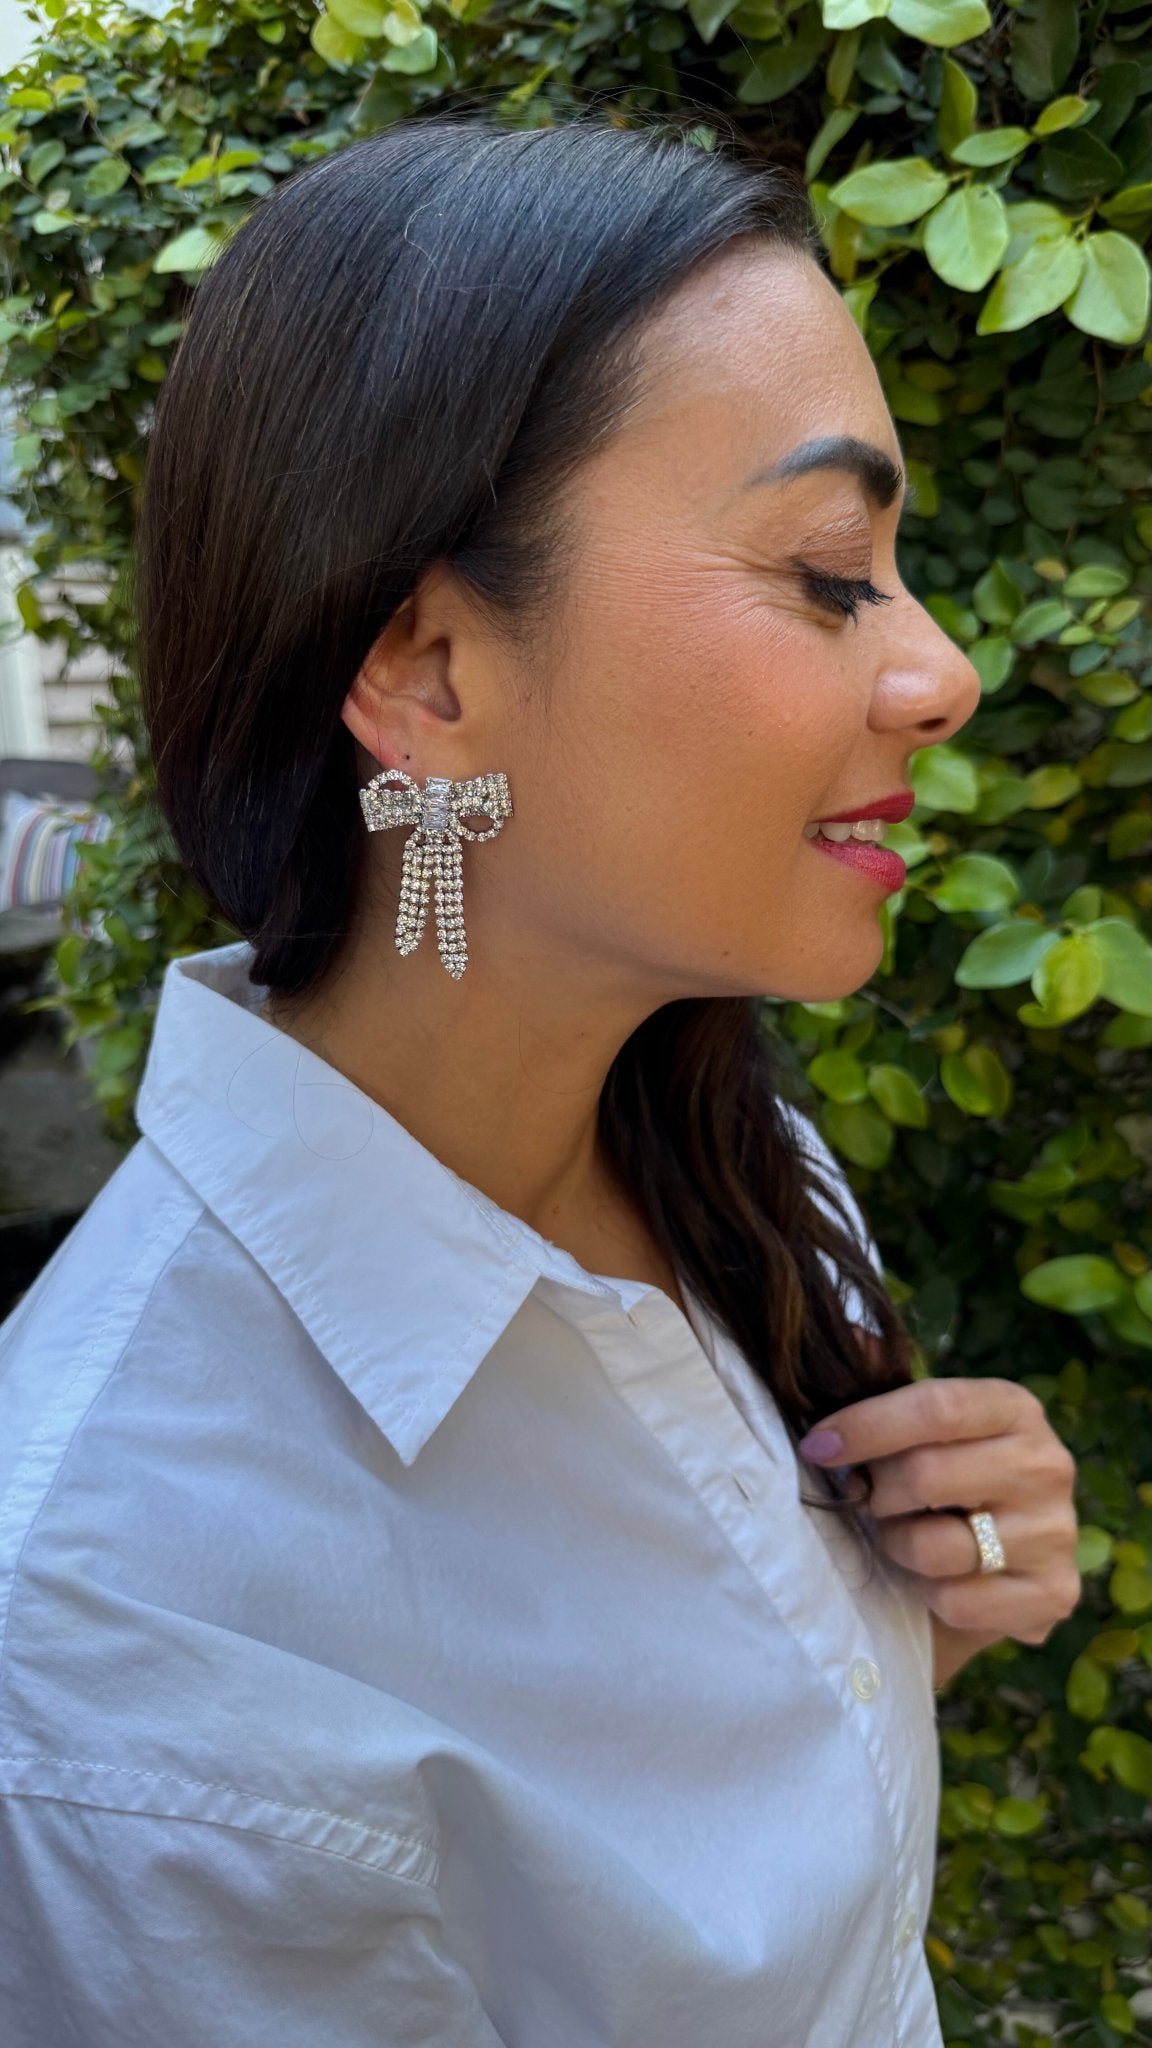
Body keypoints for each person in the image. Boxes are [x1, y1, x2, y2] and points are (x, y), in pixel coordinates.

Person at [0, 110, 1081, 2048]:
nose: (941, 669)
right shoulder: (114, 1645)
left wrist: (926, 1600)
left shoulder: (739, 1170)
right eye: (831, 569)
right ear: (426, 671)